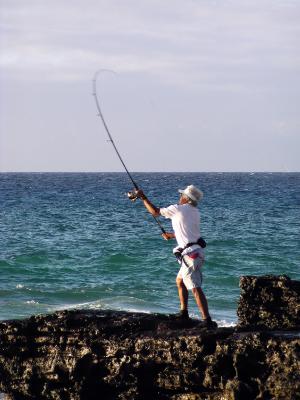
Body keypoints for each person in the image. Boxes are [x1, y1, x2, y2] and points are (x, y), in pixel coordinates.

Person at [136, 185, 217, 328]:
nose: (180, 198)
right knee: (180, 281)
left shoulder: (178, 208)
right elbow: (188, 234)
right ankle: (184, 313)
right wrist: (172, 235)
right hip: (196, 252)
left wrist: (143, 198)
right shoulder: (195, 212)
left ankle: (207, 320)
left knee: (195, 287)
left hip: (191, 255)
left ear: (186, 198)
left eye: (182, 196)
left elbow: (155, 212)